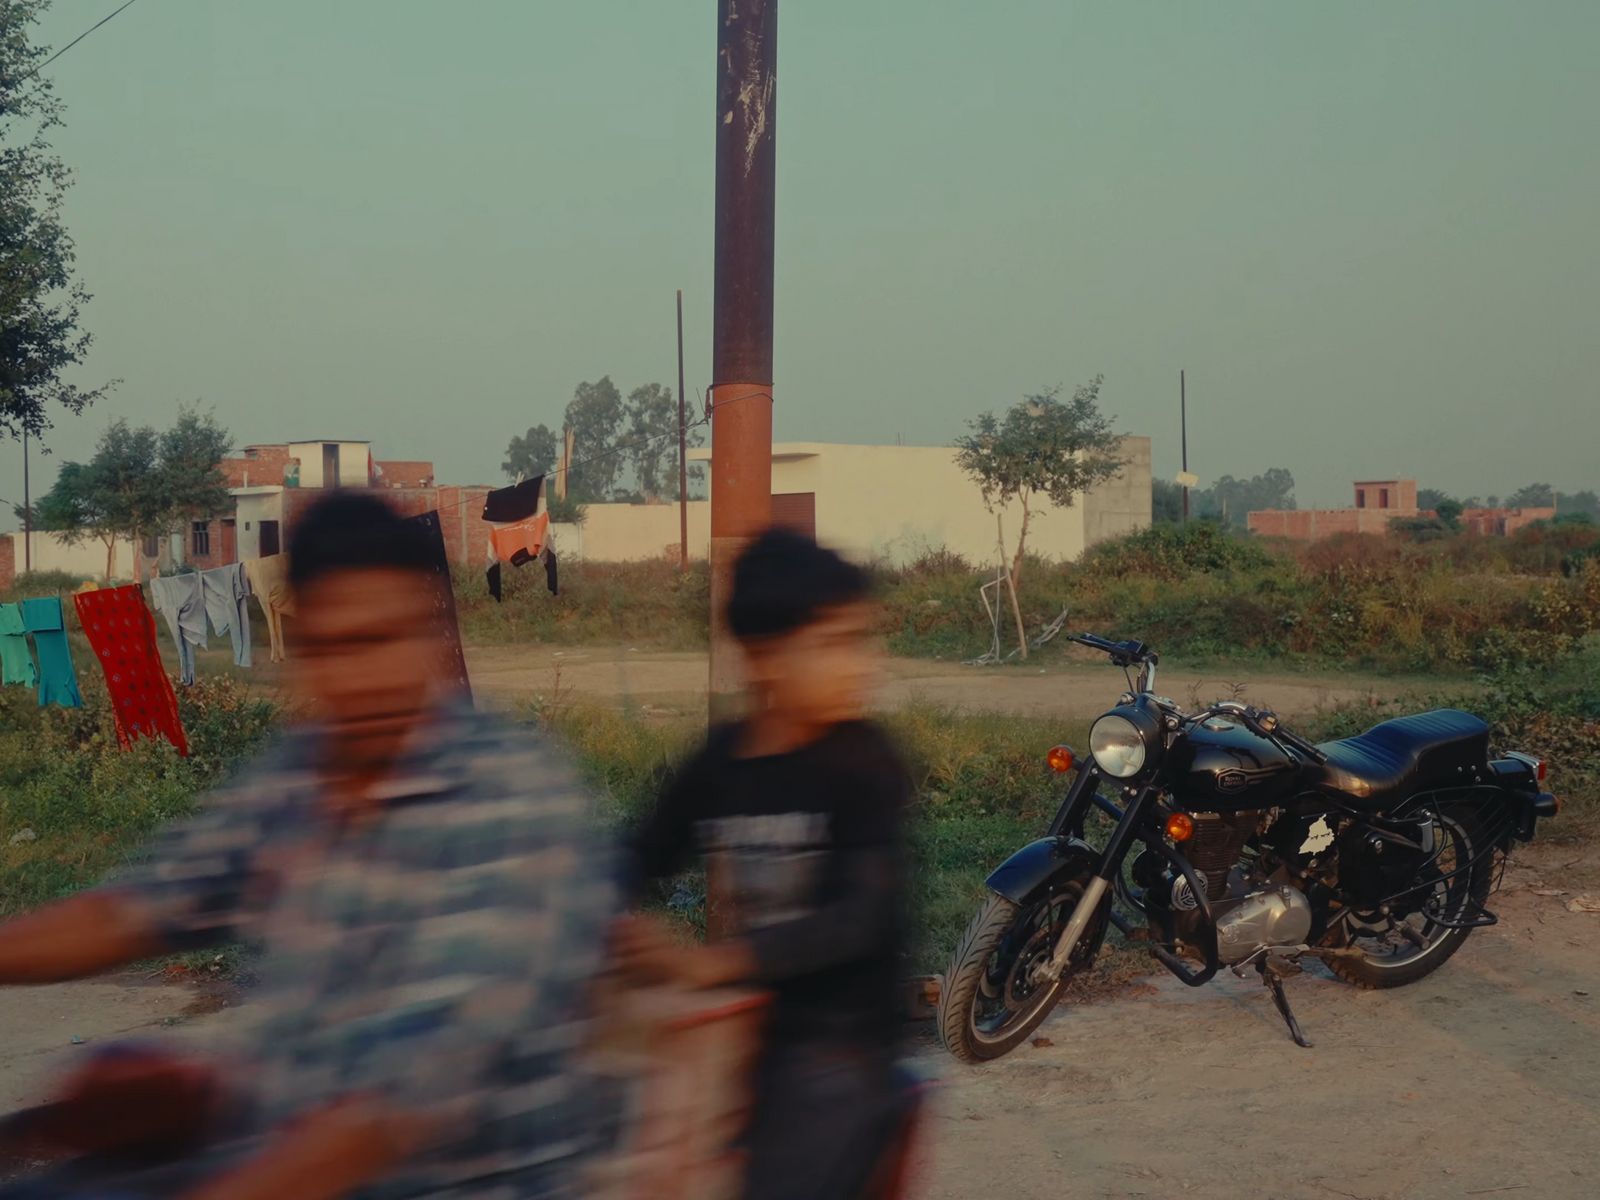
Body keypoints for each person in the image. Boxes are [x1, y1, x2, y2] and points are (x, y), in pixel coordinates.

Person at [0, 491, 614, 1200]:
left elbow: (386, 1114)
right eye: (335, 648)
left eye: (386, 640)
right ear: (303, 648)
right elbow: (138, 909)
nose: (367, 680)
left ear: (429, 628)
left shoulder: (512, 797)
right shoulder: (301, 776)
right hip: (288, 1146)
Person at [614, 527, 914, 1200]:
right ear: (763, 657)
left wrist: (708, 963)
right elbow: (636, 856)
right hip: (743, 1028)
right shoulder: (720, 763)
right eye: (836, 643)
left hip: (837, 1050)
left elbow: (858, 919)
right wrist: (600, 918)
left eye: (863, 640)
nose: (863, 663)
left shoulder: (865, 763)